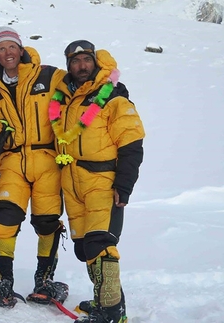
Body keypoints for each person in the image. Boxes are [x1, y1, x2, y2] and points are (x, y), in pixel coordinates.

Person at [48, 40, 145, 323]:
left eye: (86, 60)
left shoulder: (113, 96)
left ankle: (111, 313)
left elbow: (132, 144)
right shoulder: (64, 99)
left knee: (102, 244)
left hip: (103, 180)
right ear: (69, 66)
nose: (82, 66)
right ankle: (108, 301)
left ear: (95, 62)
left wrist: (123, 186)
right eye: (76, 61)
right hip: (73, 182)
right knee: (86, 247)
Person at [0, 26, 68, 308]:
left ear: (20, 48)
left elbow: (79, 86)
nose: (7, 53)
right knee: (4, 218)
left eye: (11, 47)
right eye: (1, 49)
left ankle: (45, 280)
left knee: (47, 222)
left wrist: (111, 87)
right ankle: (2, 279)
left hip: (46, 159)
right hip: (13, 159)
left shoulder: (49, 75)